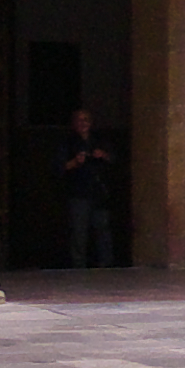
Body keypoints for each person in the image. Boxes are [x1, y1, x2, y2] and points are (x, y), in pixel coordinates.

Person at [60, 108, 118, 268]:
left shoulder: (99, 140)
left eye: (86, 120)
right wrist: (75, 162)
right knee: (79, 232)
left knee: (103, 229)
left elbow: (114, 160)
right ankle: (78, 265)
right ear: (74, 123)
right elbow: (59, 167)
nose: (83, 123)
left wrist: (103, 155)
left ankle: (106, 264)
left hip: (99, 192)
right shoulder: (68, 142)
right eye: (79, 120)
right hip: (78, 193)